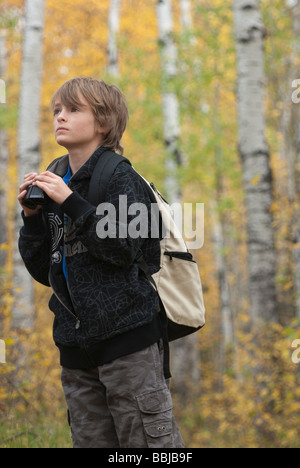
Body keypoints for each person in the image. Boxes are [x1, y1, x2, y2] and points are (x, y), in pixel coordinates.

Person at [18, 77, 184, 449]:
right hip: (75, 351)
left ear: (104, 122)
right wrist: (31, 217)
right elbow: (44, 269)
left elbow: (125, 248)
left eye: (74, 110)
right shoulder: (54, 177)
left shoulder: (120, 176)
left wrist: (71, 202)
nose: (60, 117)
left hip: (129, 345)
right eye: (57, 110)